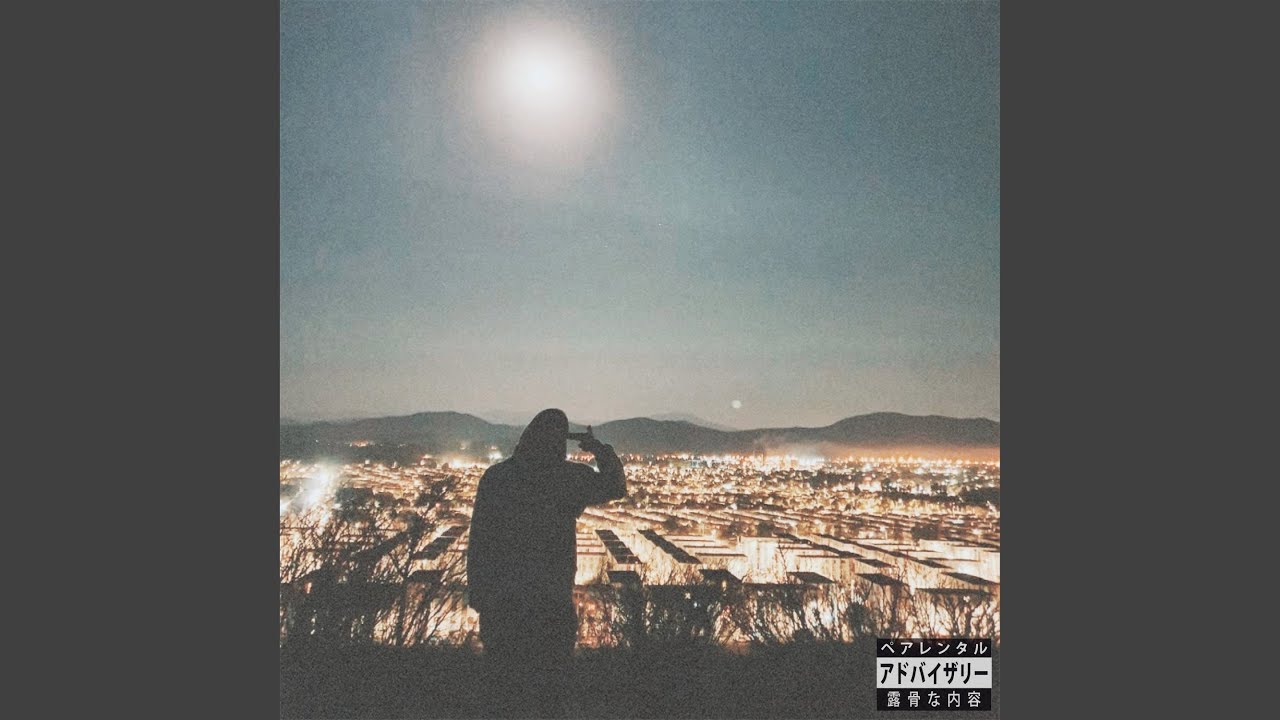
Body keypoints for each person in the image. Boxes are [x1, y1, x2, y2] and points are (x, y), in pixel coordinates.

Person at [466, 408, 627, 718]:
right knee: (549, 693)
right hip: (551, 601)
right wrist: (598, 449)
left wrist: (479, 596)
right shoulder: (567, 478)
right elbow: (615, 486)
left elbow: (480, 540)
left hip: (503, 603)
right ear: (560, 442)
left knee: (503, 693)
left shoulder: (498, 478)